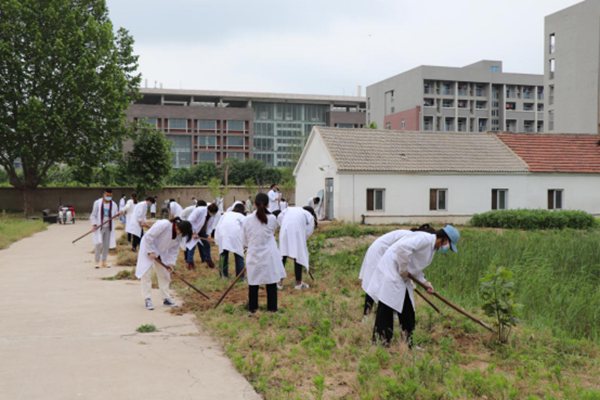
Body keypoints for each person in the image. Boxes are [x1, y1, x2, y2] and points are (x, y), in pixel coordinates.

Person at [366, 225, 460, 348]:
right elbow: (402, 248)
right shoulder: (425, 239)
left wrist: (425, 283)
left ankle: (408, 343)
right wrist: (403, 268)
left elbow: (416, 268)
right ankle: (381, 344)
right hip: (392, 271)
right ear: (444, 239)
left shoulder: (431, 249)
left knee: (408, 311)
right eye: (448, 245)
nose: (446, 248)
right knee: (386, 308)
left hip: (402, 277)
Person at [359, 224, 435, 317]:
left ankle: (387, 312)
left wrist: (419, 281)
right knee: (376, 285)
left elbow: (409, 262)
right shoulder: (413, 238)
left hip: (385, 254)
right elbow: (401, 255)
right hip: (380, 253)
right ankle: (367, 313)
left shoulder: (416, 239)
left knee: (386, 287)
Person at [135, 217, 193, 310]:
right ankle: (147, 298)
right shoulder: (164, 224)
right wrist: (150, 251)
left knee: (165, 275)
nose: (180, 234)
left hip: (162, 252)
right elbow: (148, 236)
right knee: (146, 273)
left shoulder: (179, 236)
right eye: (180, 231)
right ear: (177, 226)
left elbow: (174, 251)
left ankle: (166, 298)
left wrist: (170, 264)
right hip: (148, 247)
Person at [242, 193, 286, 313]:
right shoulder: (272, 219)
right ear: (268, 204)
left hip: (254, 253)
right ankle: (272, 309)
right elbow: (272, 232)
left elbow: (244, 238)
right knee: (271, 282)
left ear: (254, 204)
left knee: (253, 283)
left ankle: (253, 309)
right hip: (269, 254)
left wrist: (246, 246)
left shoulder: (247, 219)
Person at [278, 206, 317, 290]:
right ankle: (298, 284)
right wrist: (303, 236)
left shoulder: (289, 209)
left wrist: (285, 227)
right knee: (298, 256)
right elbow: (309, 230)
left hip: (284, 231)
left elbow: (279, 217)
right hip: (297, 233)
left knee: (282, 256)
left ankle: (279, 283)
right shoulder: (308, 214)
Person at [90, 189, 120, 269]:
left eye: (110, 196)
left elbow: (116, 215)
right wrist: (94, 224)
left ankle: (104, 262)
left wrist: (118, 214)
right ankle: (97, 262)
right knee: (98, 244)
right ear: (104, 194)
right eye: (107, 195)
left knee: (106, 245)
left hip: (108, 227)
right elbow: (93, 215)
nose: (108, 197)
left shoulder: (114, 204)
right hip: (99, 227)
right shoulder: (97, 203)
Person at [215, 203, 246, 278]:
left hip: (222, 234)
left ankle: (223, 276)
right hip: (235, 235)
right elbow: (246, 228)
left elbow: (218, 226)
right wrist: (246, 243)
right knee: (239, 255)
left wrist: (217, 239)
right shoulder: (241, 216)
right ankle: (240, 277)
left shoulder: (225, 214)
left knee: (223, 254)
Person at [185, 201, 219, 270]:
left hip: (202, 230)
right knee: (192, 246)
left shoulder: (212, 215)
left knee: (207, 244)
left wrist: (208, 235)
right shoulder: (199, 210)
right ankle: (190, 263)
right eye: (211, 213)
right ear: (208, 210)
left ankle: (208, 260)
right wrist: (193, 233)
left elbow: (210, 226)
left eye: (213, 214)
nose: (212, 215)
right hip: (193, 228)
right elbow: (190, 221)